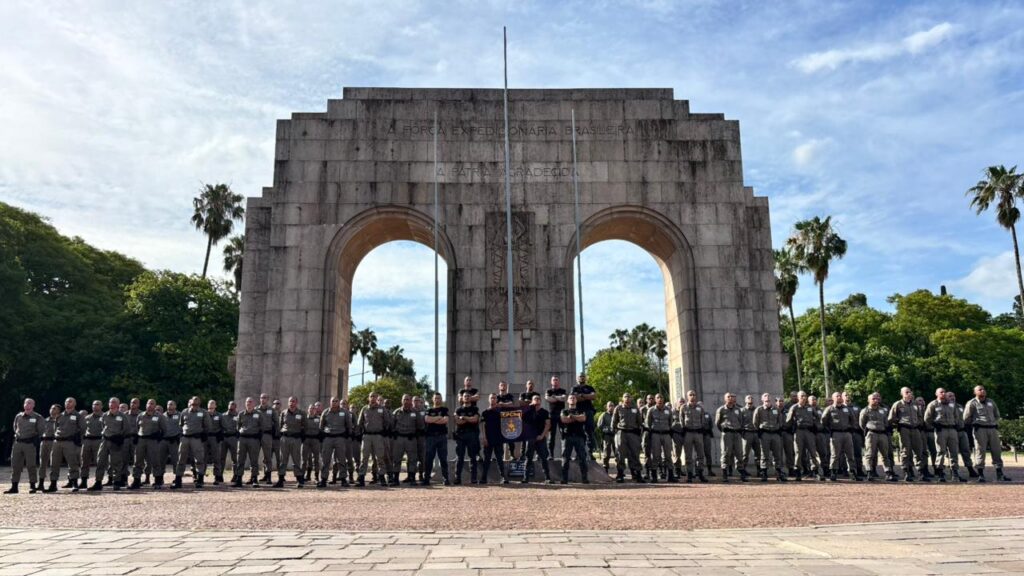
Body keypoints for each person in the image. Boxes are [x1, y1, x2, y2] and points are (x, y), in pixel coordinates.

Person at [963, 385, 1012, 482]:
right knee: (980, 451)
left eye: (983, 389)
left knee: (997, 450)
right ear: (975, 392)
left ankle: (1000, 474)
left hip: (992, 429)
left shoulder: (991, 401)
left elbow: (997, 415)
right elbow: (966, 418)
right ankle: (981, 475)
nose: (982, 391)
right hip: (980, 429)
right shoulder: (972, 403)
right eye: (980, 390)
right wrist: (975, 423)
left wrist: (994, 422)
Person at [888, 387, 930, 482]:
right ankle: (907, 471)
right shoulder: (898, 404)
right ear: (902, 394)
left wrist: (919, 424)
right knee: (905, 451)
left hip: (915, 429)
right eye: (906, 392)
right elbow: (891, 418)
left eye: (910, 392)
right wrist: (897, 425)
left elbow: (920, 416)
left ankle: (921, 472)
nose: (909, 394)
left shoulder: (916, 404)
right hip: (904, 429)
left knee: (919, 450)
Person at [924, 387, 965, 482]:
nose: (943, 393)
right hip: (940, 430)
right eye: (941, 392)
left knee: (954, 451)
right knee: (941, 451)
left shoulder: (951, 404)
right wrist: (934, 424)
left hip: (952, 429)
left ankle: (955, 473)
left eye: (944, 392)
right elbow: (927, 418)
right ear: (936, 394)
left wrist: (956, 424)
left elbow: (957, 416)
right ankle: (940, 472)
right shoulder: (933, 404)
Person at [5, 398, 45, 494]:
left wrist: (32, 438)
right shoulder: (18, 416)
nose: (27, 405)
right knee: (15, 465)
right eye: (26, 403)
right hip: (18, 443)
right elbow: (15, 427)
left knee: (31, 465)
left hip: (30, 444)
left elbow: (41, 430)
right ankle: (14, 487)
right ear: (24, 405)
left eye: (29, 403)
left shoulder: (37, 417)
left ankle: (32, 486)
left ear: (33, 405)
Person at [820, 392, 861, 481]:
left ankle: (853, 473)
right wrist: (829, 429)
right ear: (833, 398)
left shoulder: (847, 408)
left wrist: (851, 428)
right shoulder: (829, 409)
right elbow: (823, 421)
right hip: (836, 434)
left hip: (847, 433)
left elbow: (853, 419)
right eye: (837, 396)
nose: (839, 397)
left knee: (850, 454)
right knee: (835, 454)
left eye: (839, 396)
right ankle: (833, 472)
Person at [172, 396, 211, 490]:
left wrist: (203, 435)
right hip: (185, 438)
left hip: (197, 438)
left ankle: (200, 480)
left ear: (199, 404)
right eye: (193, 403)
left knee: (199, 460)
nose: (194, 405)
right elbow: (181, 425)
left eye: (196, 404)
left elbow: (208, 426)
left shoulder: (203, 413)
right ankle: (178, 480)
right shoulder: (184, 412)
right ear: (191, 403)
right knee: (181, 459)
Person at [46, 397, 84, 493]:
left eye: (70, 401)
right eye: (66, 401)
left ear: (74, 404)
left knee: (72, 463)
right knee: (54, 463)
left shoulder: (78, 415)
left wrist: (78, 441)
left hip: (70, 442)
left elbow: (82, 429)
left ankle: (74, 483)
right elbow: (56, 428)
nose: (68, 403)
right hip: (57, 442)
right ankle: (53, 484)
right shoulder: (60, 415)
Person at [91, 397, 129, 491]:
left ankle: (116, 482)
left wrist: (119, 437)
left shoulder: (123, 416)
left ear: (118, 404)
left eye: (113, 402)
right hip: (105, 441)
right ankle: (98, 482)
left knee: (116, 463)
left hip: (115, 442)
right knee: (100, 461)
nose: (111, 404)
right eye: (110, 402)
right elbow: (103, 427)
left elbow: (126, 429)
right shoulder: (105, 415)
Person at [785, 390, 823, 481]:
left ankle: (815, 471)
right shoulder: (794, 408)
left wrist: (817, 427)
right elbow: (788, 421)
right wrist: (791, 430)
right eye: (801, 396)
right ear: (798, 397)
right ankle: (798, 471)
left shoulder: (810, 408)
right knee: (798, 452)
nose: (804, 397)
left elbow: (818, 418)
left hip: (809, 431)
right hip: (799, 431)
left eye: (805, 396)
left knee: (813, 452)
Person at [130, 399, 167, 490]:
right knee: (138, 461)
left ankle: (158, 480)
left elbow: (164, 430)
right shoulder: (141, 415)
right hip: (141, 440)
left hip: (153, 441)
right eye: (148, 403)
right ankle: (136, 480)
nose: (150, 405)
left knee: (155, 460)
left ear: (155, 406)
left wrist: (159, 436)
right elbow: (137, 427)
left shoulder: (160, 416)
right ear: (146, 405)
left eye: (152, 404)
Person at [357, 392, 393, 487]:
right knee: (364, 458)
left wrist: (384, 430)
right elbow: (360, 422)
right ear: (369, 398)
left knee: (380, 457)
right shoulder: (364, 409)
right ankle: (361, 478)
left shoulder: (382, 409)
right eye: (371, 396)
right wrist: (360, 433)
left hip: (378, 436)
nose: (373, 398)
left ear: (377, 398)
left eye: (375, 396)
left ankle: (381, 477)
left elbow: (387, 421)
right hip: (367, 436)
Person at [860, 392, 897, 482]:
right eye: (873, 399)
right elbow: (862, 424)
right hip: (871, 434)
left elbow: (886, 422)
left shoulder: (883, 410)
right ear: (869, 400)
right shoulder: (865, 411)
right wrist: (869, 429)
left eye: (877, 399)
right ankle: (869, 472)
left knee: (885, 454)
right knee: (869, 454)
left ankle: (888, 473)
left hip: (882, 434)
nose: (876, 400)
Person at [751, 394, 785, 482]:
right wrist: (760, 431)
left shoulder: (776, 410)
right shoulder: (759, 410)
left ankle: (779, 472)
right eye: (766, 401)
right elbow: (755, 422)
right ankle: (764, 473)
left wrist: (777, 428)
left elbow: (780, 421)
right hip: (764, 434)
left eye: (769, 400)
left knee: (777, 454)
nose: (767, 402)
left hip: (775, 434)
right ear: (762, 401)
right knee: (764, 454)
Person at [318, 396, 350, 488]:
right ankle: (323, 479)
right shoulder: (325, 412)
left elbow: (348, 424)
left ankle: (343, 479)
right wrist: (323, 436)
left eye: (336, 401)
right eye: (333, 401)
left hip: (340, 438)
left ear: (338, 402)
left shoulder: (344, 412)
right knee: (326, 460)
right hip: (328, 438)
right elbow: (321, 426)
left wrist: (347, 435)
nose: (334, 403)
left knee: (341, 459)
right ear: (330, 402)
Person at [611, 393, 644, 483]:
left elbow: (639, 422)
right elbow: (614, 421)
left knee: (635, 454)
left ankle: (637, 474)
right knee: (620, 454)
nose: (627, 398)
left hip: (633, 433)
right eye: (625, 397)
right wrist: (615, 433)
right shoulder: (618, 408)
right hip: (621, 432)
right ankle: (620, 474)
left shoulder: (635, 408)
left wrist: (639, 434)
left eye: (629, 397)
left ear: (631, 398)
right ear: (622, 398)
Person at [521, 394, 553, 484]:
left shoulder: (544, 412)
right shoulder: (527, 412)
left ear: (541, 401)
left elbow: (548, 424)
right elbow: (522, 424)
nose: (537, 400)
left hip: (541, 438)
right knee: (528, 458)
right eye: (535, 399)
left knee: (543, 458)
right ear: (532, 401)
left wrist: (542, 435)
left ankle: (547, 478)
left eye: (538, 399)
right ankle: (525, 478)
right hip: (530, 438)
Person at [391, 394, 422, 486]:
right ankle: (395, 479)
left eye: (408, 399)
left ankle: (412, 478)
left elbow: (420, 425)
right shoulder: (396, 412)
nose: (406, 401)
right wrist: (395, 433)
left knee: (412, 459)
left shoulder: (415, 412)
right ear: (402, 401)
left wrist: (414, 434)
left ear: (410, 401)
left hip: (411, 439)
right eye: (404, 399)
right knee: (396, 459)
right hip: (399, 439)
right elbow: (392, 425)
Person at [715, 393, 746, 482]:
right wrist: (724, 430)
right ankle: (725, 472)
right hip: (727, 433)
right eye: (728, 397)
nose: (730, 398)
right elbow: (717, 423)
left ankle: (741, 471)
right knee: (726, 453)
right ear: (725, 399)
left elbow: (741, 421)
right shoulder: (721, 410)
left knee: (739, 453)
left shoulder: (738, 410)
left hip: (736, 433)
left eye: (732, 397)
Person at [277, 396, 307, 488]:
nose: (291, 403)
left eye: (293, 401)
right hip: (285, 438)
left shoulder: (301, 413)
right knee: (283, 460)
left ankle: (299, 480)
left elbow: (305, 426)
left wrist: (301, 437)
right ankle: (281, 480)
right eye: (290, 401)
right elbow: (280, 425)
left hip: (296, 439)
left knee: (296, 460)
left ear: (296, 402)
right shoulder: (283, 413)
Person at [644, 394, 675, 483]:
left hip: (666, 434)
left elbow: (671, 422)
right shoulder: (651, 410)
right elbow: (648, 424)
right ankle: (654, 476)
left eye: (661, 397)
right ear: (655, 400)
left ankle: (670, 476)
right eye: (658, 398)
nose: (660, 399)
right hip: (655, 434)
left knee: (668, 455)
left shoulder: (668, 410)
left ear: (663, 399)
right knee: (656, 456)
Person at [234, 397, 263, 487]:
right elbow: (238, 426)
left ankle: (254, 479)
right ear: (245, 404)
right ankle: (238, 479)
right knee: (240, 459)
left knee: (254, 460)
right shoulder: (241, 414)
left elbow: (261, 426)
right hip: (242, 439)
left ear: (254, 404)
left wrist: (258, 437)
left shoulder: (258, 414)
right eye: (247, 402)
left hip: (254, 440)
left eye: (250, 402)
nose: (249, 404)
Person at [678, 391, 707, 483]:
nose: (692, 396)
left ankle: (700, 473)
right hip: (688, 433)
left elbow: (703, 420)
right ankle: (689, 474)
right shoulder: (683, 407)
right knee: (688, 455)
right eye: (690, 395)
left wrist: (701, 428)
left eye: (694, 395)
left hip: (698, 433)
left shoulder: (700, 408)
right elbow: (681, 419)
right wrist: (684, 430)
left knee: (701, 454)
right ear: (687, 397)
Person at [422, 392, 451, 486]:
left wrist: (433, 419)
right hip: (430, 437)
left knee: (443, 458)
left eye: (438, 398)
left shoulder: (444, 409)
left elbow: (445, 420)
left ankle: (446, 479)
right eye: (435, 398)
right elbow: (427, 420)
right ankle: (426, 479)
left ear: (441, 399)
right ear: (432, 399)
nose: (437, 400)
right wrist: (438, 417)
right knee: (429, 459)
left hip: (442, 437)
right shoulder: (429, 410)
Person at [480, 394, 508, 484]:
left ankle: (503, 477)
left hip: (498, 439)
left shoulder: (501, 412)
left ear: (496, 400)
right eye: (491, 398)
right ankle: (484, 478)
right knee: (487, 459)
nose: (493, 399)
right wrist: (484, 437)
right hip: (488, 439)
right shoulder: (485, 412)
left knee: (500, 459)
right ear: (489, 400)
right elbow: (482, 426)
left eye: (494, 398)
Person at [947, 391, 977, 478]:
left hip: (962, 431)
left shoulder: (960, 406)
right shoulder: (945, 407)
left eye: (953, 395)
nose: (952, 397)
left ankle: (970, 469)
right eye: (949, 396)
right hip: (952, 430)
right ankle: (954, 471)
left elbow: (966, 417)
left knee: (966, 450)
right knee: (953, 452)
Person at [454, 391, 481, 484]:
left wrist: (464, 418)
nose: (466, 397)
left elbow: (475, 420)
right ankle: (457, 478)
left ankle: (473, 478)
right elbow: (458, 422)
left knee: (472, 457)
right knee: (459, 457)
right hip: (460, 435)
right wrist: (468, 419)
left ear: (470, 398)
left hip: (472, 435)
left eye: (468, 396)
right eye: (465, 396)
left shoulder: (475, 408)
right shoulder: (458, 409)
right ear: (462, 398)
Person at [570, 373, 597, 455]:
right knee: (579, 432)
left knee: (590, 432)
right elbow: (575, 398)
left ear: (586, 378)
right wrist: (586, 396)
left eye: (583, 377)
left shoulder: (590, 387)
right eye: (580, 377)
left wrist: (581, 395)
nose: (582, 378)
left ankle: (590, 453)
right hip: (578, 412)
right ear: (577, 378)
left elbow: (594, 396)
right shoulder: (574, 388)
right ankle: (580, 454)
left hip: (588, 411)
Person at [80, 400, 103, 490]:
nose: (95, 406)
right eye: (93, 404)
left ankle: (98, 481)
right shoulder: (87, 417)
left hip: (98, 440)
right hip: (87, 441)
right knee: (84, 461)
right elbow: (82, 429)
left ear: (101, 406)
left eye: (97, 404)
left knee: (99, 462)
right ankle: (83, 481)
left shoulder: (104, 416)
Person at [37, 404, 60, 493]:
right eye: (51, 408)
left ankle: (53, 484)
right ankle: (41, 483)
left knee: (54, 463)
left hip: (54, 441)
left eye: (54, 408)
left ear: (58, 410)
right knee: (42, 463)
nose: (52, 410)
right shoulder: (45, 420)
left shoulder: (60, 420)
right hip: (44, 442)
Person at [256, 393, 277, 483]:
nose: (263, 399)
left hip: (267, 435)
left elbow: (276, 422)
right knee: (254, 456)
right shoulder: (255, 409)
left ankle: (268, 476)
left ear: (267, 399)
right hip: (256, 435)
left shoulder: (271, 410)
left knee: (267, 457)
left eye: (265, 398)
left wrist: (275, 434)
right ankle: (253, 476)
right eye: (261, 398)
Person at [545, 376, 567, 458]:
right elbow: (548, 399)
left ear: (559, 381)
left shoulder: (563, 390)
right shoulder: (549, 390)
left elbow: (564, 399)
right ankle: (551, 455)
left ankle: (564, 454)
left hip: (562, 414)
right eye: (553, 380)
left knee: (564, 434)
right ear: (551, 382)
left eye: (556, 380)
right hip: (552, 414)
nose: (555, 381)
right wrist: (559, 398)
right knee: (552, 436)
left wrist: (555, 397)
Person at [739, 394, 760, 479]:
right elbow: (739, 422)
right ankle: (743, 470)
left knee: (758, 454)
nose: (750, 399)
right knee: (745, 454)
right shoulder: (742, 410)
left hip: (756, 433)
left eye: (751, 398)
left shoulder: (757, 410)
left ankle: (759, 470)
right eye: (748, 398)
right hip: (746, 434)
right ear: (745, 400)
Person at [161, 400, 182, 486]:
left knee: (176, 460)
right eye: (168, 404)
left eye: (171, 404)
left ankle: (177, 478)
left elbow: (183, 426)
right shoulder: (162, 416)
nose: (169, 406)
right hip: (164, 440)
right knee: (161, 460)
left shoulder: (180, 415)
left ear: (175, 406)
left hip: (175, 441)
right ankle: (159, 478)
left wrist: (179, 436)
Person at [809, 395, 830, 478]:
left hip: (820, 433)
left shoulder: (820, 410)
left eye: (815, 399)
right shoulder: (807, 409)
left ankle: (825, 469)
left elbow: (824, 420)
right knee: (812, 453)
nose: (814, 401)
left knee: (823, 452)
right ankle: (814, 470)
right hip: (811, 433)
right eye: (812, 400)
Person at [220, 401, 240, 485]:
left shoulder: (238, 416)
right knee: (221, 458)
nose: (231, 406)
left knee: (235, 458)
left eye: (232, 405)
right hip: (224, 438)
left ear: (235, 407)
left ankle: (235, 475)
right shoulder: (223, 415)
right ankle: (219, 475)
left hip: (233, 438)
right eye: (229, 404)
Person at [205, 400, 225, 485]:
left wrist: (220, 435)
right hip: (205, 437)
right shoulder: (204, 415)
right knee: (203, 457)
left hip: (215, 438)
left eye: (213, 404)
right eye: (209, 405)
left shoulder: (219, 416)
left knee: (216, 458)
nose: (211, 406)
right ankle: (200, 476)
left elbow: (223, 426)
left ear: (215, 406)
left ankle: (217, 476)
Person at [302, 402, 322, 484]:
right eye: (310, 408)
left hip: (315, 440)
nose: (311, 410)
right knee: (304, 459)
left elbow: (322, 429)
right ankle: (302, 476)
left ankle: (316, 477)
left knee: (316, 459)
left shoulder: (319, 418)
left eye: (313, 409)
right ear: (308, 410)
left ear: (315, 410)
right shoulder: (304, 419)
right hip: (306, 440)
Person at [781, 391, 798, 477]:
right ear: (790, 397)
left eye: (796, 396)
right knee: (786, 452)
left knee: (793, 452)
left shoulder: (800, 406)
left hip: (794, 431)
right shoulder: (786, 406)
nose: (795, 397)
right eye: (793, 396)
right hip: (785, 431)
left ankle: (794, 468)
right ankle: (786, 469)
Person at [596, 401, 616, 474]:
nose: (611, 407)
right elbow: (599, 425)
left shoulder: (616, 414)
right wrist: (607, 429)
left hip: (615, 435)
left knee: (618, 452)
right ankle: (605, 467)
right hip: (607, 436)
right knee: (606, 453)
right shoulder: (604, 415)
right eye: (609, 405)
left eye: (612, 405)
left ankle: (620, 470)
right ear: (607, 407)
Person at [413, 396, 427, 483]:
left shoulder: (425, 411)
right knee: (412, 457)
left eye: (418, 401)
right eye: (414, 401)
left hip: (422, 437)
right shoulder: (410, 410)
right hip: (412, 437)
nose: (416, 402)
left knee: (422, 457)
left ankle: (422, 474)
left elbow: (428, 424)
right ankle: (411, 476)